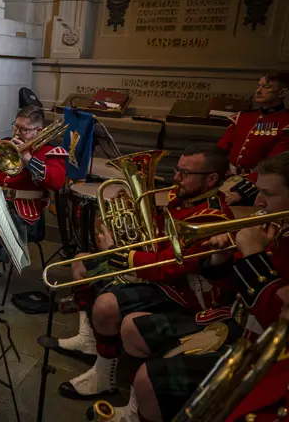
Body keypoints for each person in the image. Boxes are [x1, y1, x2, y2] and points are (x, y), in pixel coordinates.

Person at [108, 151, 289, 422]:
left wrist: (252, 255)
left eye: (269, 194)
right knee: (132, 327)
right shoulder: (275, 226)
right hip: (232, 317)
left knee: (148, 374)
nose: (259, 201)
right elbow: (230, 280)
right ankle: (133, 407)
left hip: (258, 347)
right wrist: (220, 259)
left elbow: (278, 317)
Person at [59, 145, 235, 406]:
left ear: (211, 179)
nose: (176, 178)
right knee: (80, 264)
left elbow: (169, 265)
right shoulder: (183, 196)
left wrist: (120, 254)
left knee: (106, 304)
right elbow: (156, 233)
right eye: (177, 170)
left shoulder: (211, 218)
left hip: (181, 291)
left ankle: (103, 376)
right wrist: (129, 208)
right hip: (158, 272)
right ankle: (90, 341)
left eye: (184, 173)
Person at [0, 106, 68, 309]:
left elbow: (57, 182)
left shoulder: (50, 152)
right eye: (16, 126)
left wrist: (29, 160)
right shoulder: (5, 145)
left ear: (38, 131)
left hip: (26, 214)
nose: (17, 133)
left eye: (24, 129)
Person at [218, 72, 289, 206]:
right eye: (258, 86)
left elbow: (273, 167)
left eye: (266, 87)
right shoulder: (242, 118)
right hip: (225, 180)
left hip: (258, 187)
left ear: (282, 92)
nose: (258, 91)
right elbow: (219, 152)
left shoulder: (286, 124)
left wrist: (241, 192)